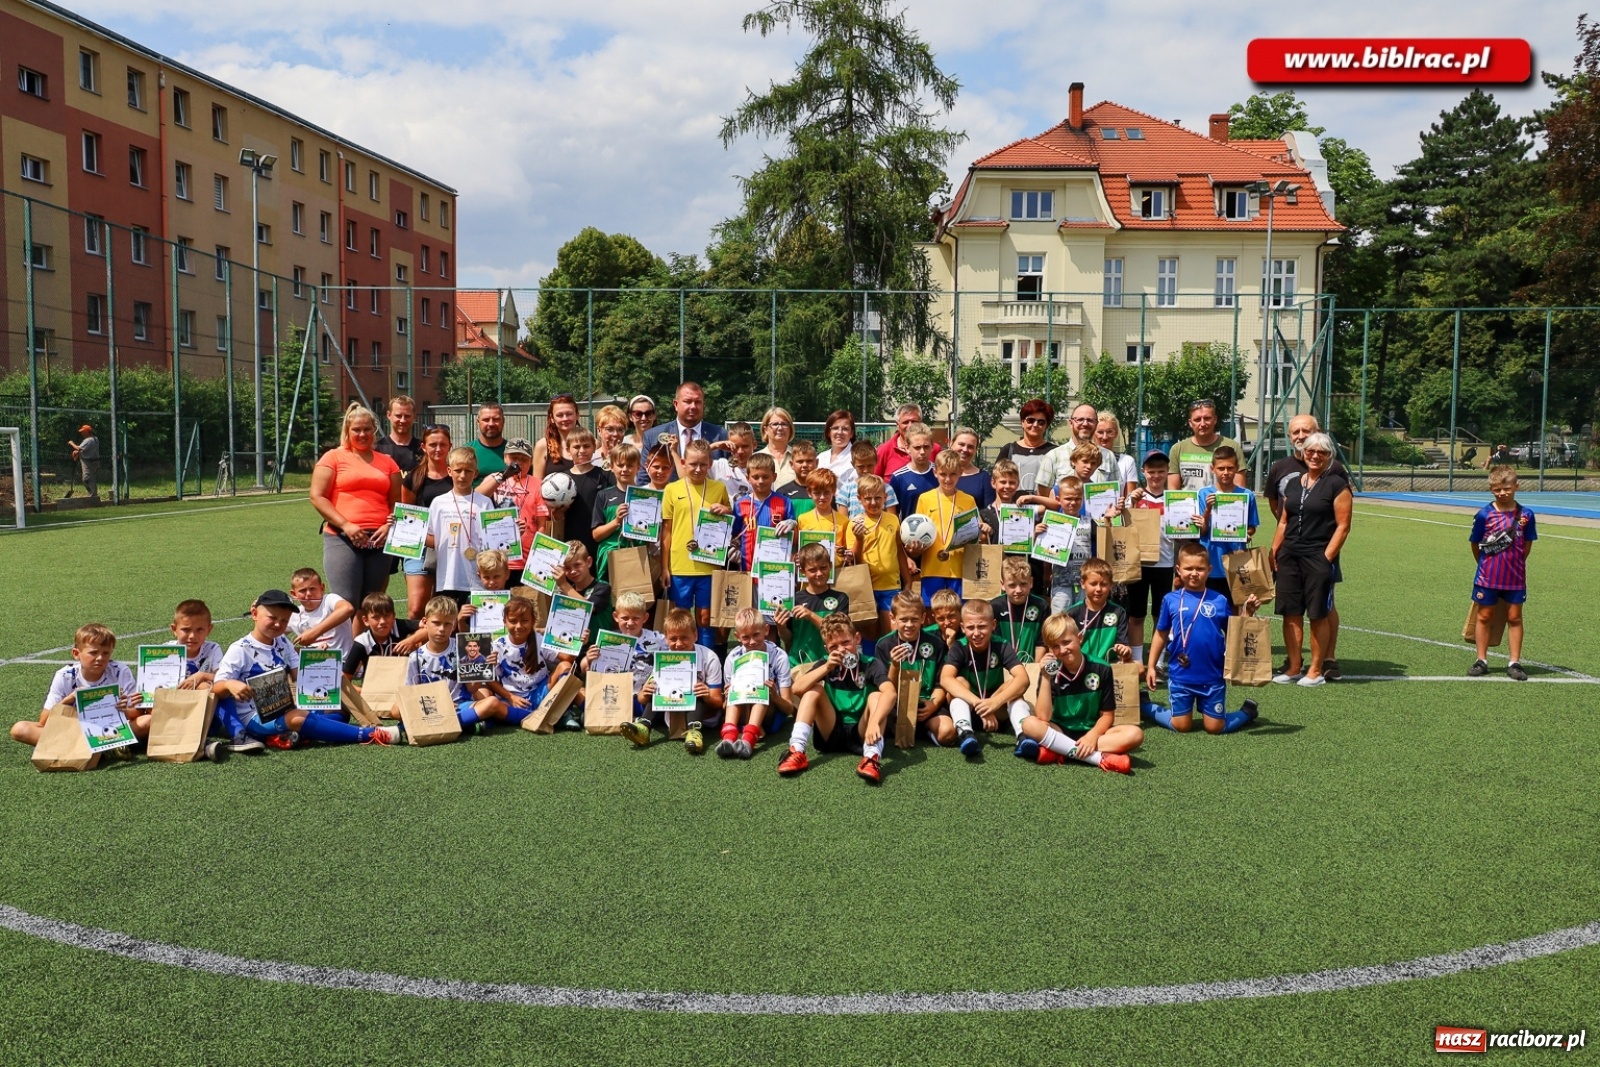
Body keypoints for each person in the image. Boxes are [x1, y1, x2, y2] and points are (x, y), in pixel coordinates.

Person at [215, 589, 402, 750]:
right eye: (272, 618)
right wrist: (231, 684)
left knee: (339, 709)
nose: (278, 624)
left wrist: (321, 664)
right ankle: (371, 734)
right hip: (255, 718)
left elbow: (300, 676)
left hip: (285, 707)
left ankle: (289, 735)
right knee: (297, 718)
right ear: (255, 614)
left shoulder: (282, 642)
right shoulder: (240, 649)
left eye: (284, 620)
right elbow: (216, 688)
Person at [1143, 542, 1262, 734]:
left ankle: (1247, 712)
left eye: (1199, 569)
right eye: (1188, 568)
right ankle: (1145, 705)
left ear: (1209, 570)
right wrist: (1151, 666)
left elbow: (1234, 633)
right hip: (1181, 675)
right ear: (1178, 570)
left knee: (1215, 728)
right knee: (1181, 726)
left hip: (1212, 675)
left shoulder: (1219, 600)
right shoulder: (1171, 600)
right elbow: (1160, 634)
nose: (1194, 573)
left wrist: (1247, 614)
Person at [1264, 414, 1348, 679]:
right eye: (1296, 433)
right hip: (1290, 553)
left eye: (1320, 451)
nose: (1313, 454)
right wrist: (1275, 549)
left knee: (1320, 610)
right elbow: (1281, 515)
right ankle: (1293, 666)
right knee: (1290, 610)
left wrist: (1326, 557)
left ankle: (1319, 665)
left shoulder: (1336, 478)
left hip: (1319, 553)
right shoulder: (1287, 476)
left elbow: (1343, 525)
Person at [309, 403, 402, 631]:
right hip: (342, 537)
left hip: (379, 541)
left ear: (374, 430)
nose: (362, 434)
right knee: (346, 602)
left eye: (367, 429)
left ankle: (360, 650)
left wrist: (388, 526)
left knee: (370, 604)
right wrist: (347, 525)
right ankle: (339, 650)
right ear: (347, 431)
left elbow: (396, 503)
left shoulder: (388, 462)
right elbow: (317, 496)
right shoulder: (333, 457)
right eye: (356, 430)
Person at [1013, 614, 1138, 773]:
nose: (1062, 650)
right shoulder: (1050, 671)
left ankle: (1059, 750)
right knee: (1029, 724)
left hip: (1092, 732)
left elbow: (1107, 716)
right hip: (1059, 730)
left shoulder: (1102, 668)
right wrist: (1045, 677)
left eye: (1066, 642)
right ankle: (1098, 758)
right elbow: (1043, 717)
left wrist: (1092, 736)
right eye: (1055, 646)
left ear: (1079, 638)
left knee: (1135, 734)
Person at [12, 623, 142, 749]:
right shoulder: (65, 676)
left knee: (146, 721)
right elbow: (44, 721)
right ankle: (102, 748)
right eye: (93, 652)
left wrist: (123, 710)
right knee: (20, 729)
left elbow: (136, 713)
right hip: (74, 730)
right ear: (76, 653)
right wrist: (70, 698)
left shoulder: (120, 671)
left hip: (110, 728)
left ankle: (81, 748)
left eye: (106, 653)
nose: (100, 658)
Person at [777, 612, 875, 779]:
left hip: (862, 732)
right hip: (831, 730)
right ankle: (796, 749)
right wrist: (827, 667)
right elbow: (797, 689)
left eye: (846, 642)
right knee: (813, 690)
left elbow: (889, 693)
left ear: (857, 639)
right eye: (833, 647)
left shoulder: (870, 663)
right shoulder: (826, 662)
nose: (841, 650)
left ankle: (873, 756)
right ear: (826, 649)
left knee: (877, 696)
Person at [660, 438, 732, 648]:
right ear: (683, 463)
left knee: (705, 618)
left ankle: (707, 659)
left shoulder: (718, 488)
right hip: (680, 564)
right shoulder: (672, 489)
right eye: (693, 464)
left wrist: (726, 510)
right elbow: (666, 531)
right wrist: (664, 567)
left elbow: (729, 517)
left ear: (710, 464)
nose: (698, 469)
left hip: (709, 563)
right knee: (679, 618)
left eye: (703, 464)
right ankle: (681, 658)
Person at [1468, 466, 1537, 681]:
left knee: (1514, 617)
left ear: (1516, 486)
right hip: (1487, 577)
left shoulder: (1526, 515)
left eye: (1507, 488)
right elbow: (1475, 544)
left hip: (1515, 578)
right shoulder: (1484, 514)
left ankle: (1514, 662)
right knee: (1484, 616)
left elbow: (1526, 545)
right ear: (1491, 489)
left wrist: (1515, 564)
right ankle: (1481, 660)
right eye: (1497, 489)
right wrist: (1486, 565)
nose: (1502, 493)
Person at [625, 607, 725, 753]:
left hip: (703, 716)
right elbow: (641, 698)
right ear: (666, 639)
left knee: (694, 688)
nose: (678, 644)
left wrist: (707, 695)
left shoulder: (709, 658)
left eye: (684, 637)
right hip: (671, 712)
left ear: (695, 635)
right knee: (658, 688)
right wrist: (645, 692)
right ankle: (643, 727)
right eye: (673, 639)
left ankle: (694, 732)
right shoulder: (665, 658)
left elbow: (717, 702)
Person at [939, 598, 1031, 757]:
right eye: (970, 627)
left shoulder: (1002, 645)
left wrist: (995, 702)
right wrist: (978, 704)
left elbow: (1024, 679)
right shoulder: (959, 647)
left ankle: (1023, 736)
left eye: (982, 626)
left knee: (1013, 685)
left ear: (993, 625)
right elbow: (945, 679)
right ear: (963, 627)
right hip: (969, 709)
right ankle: (965, 733)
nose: (976, 633)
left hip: (996, 711)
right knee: (959, 682)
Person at [404, 595, 508, 734]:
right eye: (436, 623)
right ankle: (466, 724)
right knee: (397, 709)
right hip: (432, 708)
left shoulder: (462, 648)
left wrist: (484, 666)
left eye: (447, 624)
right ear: (425, 622)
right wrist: (440, 706)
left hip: (460, 706)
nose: (442, 629)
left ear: (454, 625)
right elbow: (410, 693)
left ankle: (448, 723)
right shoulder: (415, 657)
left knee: (492, 702)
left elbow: (472, 688)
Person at [863, 591, 950, 752]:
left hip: (925, 705)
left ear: (923, 618)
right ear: (893, 618)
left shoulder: (936, 644)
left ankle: (925, 731)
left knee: (947, 732)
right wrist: (895, 665)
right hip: (897, 706)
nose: (909, 624)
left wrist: (933, 704)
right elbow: (886, 690)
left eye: (914, 619)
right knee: (880, 706)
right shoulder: (884, 645)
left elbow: (940, 683)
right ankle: (879, 746)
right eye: (903, 619)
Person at [718, 607, 795, 759]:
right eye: (746, 637)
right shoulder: (733, 657)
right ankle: (728, 739)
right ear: (737, 636)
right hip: (742, 712)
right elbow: (724, 707)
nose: (752, 642)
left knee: (761, 690)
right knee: (735, 691)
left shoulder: (779, 656)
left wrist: (775, 696)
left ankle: (748, 740)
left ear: (766, 630)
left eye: (756, 635)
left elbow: (789, 708)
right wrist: (727, 697)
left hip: (770, 715)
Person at [425, 446, 494, 608]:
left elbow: (493, 540)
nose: (463, 476)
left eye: (468, 471)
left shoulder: (484, 503)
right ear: (449, 471)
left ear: (475, 473)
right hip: (447, 577)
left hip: (477, 578)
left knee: (473, 622)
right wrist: (405, 531)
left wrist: (512, 533)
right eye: (458, 470)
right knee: (448, 619)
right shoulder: (438, 503)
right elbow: (431, 538)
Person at [1124, 450, 1175, 667]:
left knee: (1160, 616)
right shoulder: (1134, 497)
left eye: (1160, 471)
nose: (1156, 476)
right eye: (1151, 471)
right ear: (1143, 471)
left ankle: (1157, 662)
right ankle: (1137, 661)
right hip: (1138, 563)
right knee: (1136, 615)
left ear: (1167, 472)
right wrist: (1132, 505)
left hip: (1165, 562)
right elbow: (1122, 528)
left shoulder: (1175, 499)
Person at [910, 450, 979, 605]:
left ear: (961, 472)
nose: (948, 479)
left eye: (953, 474)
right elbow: (917, 532)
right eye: (943, 474)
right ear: (935, 472)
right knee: (931, 610)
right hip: (931, 567)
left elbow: (976, 533)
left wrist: (982, 529)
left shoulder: (968, 500)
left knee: (958, 610)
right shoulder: (925, 499)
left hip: (959, 569)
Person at [403, 424, 454, 619]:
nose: (438, 449)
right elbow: (407, 515)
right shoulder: (414, 477)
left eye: (443, 444)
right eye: (433, 445)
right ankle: (414, 638)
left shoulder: (456, 476)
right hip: (421, 547)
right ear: (424, 447)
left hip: (451, 546)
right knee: (417, 608)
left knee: (445, 607)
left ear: (450, 446)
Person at [1195, 446, 1259, 601]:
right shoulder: (1203, 494)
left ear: (1236, 468)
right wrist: (1208, 509)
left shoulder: (1246, 495)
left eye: (1230, 468)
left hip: (1237, 560)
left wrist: (1246, 534)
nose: (1225, 472)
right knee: (1209, 607)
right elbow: (1202, 531)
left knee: (1236, 607)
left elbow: (1251, 526)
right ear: (1212, 469)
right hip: (1211, 561)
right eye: (1221, 468)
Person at [775, 541, 848, 668]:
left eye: (823, 568)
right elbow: (788, 639)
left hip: (831, 664)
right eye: (812, 570)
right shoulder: (794, 600)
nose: (819, 573)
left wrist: (810, 615)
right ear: (803, 571)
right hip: (799, 664)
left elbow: (838, 633)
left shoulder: (840, 598)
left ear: (830, 566)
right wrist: (781, 627)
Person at [478, 438, 538, 585]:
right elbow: (476, 497)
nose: (518, 463)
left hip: (525, 558)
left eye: (523, 459)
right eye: (514, 458)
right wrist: (504, 476)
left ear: (531, 462)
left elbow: (542, 525)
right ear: (505, 458)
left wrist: (536, 556)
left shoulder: (538, 484)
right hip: (497, 557)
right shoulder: (494, 478)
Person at [642, 381, 727, 480]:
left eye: (698, 402)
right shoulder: (652, 436)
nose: (693, 406)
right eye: (688, 401)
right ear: (676, 404)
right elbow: (643, 478)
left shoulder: (720, 435)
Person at [342, 592, 423, 686]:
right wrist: (363, 691)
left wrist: (411, 641)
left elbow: (429, 627)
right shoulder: (362, 643)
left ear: (393, 617)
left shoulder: (398, 626)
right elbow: (344, 680)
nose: (382, 621)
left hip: (402, 686)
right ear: (366, 620)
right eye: (376, 617)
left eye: (387, 615)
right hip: (373, 689)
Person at [1035, 404, 1117, 495]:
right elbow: (1043, 496)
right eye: (1080, 419)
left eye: (1090, 420)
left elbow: (1116, 492)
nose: (1085, 424)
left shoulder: (1108, 456)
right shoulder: (1053, 456)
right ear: (1071, 423)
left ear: (1096, 424)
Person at [1067, 558, 1132, 665]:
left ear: (1111, 585)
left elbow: (1124, 646)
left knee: (1139, 668)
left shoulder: (1118, 612)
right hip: (1081, 666)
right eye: (1093, 584)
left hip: (1109, 665)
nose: (1098, 589)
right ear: (1083, 584)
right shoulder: (1072, 613)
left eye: (1104, 584)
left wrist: (1125, 650)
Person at [1168, 399, 1243, 492]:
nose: (1202, 424)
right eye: (1197, 420)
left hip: (1221, 501)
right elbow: (1173, 490)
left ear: (1215, 419)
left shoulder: (1232, 447)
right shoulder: (1177, 449)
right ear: (1190, 423)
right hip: (1188, 501)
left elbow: (1239, 490)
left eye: (1207, 418)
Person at [992, 556, 1049, 663]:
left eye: (1023, 584)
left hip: (1031, 664)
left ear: (1031, 582)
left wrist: (1035, 668)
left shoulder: (1041, 606)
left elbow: (1042, 643)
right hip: (1002, 666)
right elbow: (994, 642)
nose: (1018, 590)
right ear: (1002, 585)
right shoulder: (994, 607)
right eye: (1012, 585)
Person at [287, 567, 355, 655]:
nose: (309, 594)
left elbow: (347, 609)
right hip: (312, 662)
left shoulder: (329, 600)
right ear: (294, 594)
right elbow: (273, 634)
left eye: (312, 589)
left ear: (322, 588)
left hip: (343, 661)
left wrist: (314, 633)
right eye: (303, 591)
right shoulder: (295, 614)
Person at [996, 400, 1054, 493]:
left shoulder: (1054, 452)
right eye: (1030, 420)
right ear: (1022, 422)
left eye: (1041, 422)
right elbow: (997, 480)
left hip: (1043, 502)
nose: (1035, 425)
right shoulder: (1009, 450)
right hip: (1012, 502)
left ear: (1046, 425)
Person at [887, 423, 939, 519]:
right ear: (907, 447)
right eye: (917, 447)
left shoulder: (940, 474)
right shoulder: (898, 477)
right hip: (908, 528)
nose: (922, 452)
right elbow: (892, 515)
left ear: (932, 446)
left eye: (926, 447)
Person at [875, 403, 941, 478]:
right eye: (905, 422)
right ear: (897, 425)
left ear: (921, 423)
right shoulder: (884, 450)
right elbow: (873, 481)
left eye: (914, 421)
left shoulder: (935, 450)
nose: (910, 426)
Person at [531, 393, 581, 486]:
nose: (565, 418)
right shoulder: (542, 446)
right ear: (552, 418)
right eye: (560, 415)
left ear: (577, 415)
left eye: (569, 414)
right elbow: (537, 486)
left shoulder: (592, 444)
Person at [948, 426, 995, 510]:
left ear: (976, 450)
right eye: (961, 444)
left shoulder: (984, 478)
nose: (965, 449)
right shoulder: (939, 475)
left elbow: (989, 511)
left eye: (970, 447)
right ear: (951, 444)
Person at [1094, 412, 1140, 494]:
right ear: (1093, 433)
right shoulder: (1084, 462)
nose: (1105, 437)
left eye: (1109, 432)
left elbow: (1130, 497)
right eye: (1100, 432)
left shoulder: (1127, 461)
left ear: (1116, 433)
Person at [375, 396, 419, 479]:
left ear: (414, 417)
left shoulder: (423, 449)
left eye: (407, 416)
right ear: (388, 415)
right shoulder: (377, 449)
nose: (403, 420)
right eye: (398, 416)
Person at [757, 406, 798, 489]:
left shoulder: (800, 458)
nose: (780, 428)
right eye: (775, 424)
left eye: (784, 424)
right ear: (765, 429)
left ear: (790, 429)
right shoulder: (756, 458)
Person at [470, 401, 509, 478]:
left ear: (503, 421)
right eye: (486, 420)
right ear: (478, 422)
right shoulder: (467, 451)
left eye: (496, 419)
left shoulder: (515, 452)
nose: (491, 424)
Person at [819, 409, 858, 484]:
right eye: (835, 428)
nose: (840, 432)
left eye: (845, 429)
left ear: (851, 433)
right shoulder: (821, 457)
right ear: (828, 432)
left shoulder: (857, 457)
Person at [68, 424, 100, 501]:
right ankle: (94, 496)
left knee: (86, 479)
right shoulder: (95, 439)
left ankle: (93, 496)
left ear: (87, 432)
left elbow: (78, 448)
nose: (82, 433)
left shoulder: (88, 440)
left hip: (88, 462)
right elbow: (87, 450)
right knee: (92, 479)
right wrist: (78, 453)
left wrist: (71, 443)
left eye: (83, 432)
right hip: (95, 461)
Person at [593, 405, 628, 473]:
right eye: (609, 429)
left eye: (620, 429)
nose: (615, 434)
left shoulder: (631, 458)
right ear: (599, 430)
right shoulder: (591, 460)